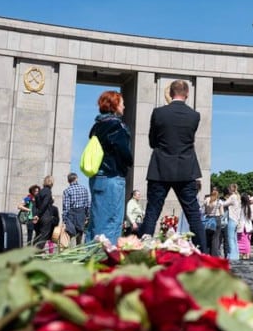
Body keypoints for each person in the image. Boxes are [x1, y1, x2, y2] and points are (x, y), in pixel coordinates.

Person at [137, 80, 207, 251]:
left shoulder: (159, 113)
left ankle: (140, 253)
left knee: (152, 213)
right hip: (186, 169)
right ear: (187, 94)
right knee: (193, 215)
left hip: (160, 169)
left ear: (170, 92)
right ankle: (203, 254)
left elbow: (153, 141)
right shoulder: (194, 116)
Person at [87, 91, 133, 245]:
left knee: (95, 224)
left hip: (97, 177)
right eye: (121, 103)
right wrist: (129, 161)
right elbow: (123, 152)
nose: (124, 106)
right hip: (112, 177)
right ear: (114, 106)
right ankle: (105, 264)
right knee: (112, 223)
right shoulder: (116, 126)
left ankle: (89, 261)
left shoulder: (97, 126)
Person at [62, 173, 90, 246]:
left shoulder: (67, 191)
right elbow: (87, 204)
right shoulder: (84, 189)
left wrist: (64, 219)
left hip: (71, 213)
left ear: (68, 181)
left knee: (70, 234)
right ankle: (78, 250)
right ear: (76, 179)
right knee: (80, 233)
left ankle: (69, 251)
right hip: (81, 213)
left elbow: (66, 206)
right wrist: (87, 216)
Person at [32, 176, 57, 249]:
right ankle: (37, 254)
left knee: (37, 236)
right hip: (46, 216)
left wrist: (36, 215)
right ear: (51, 182)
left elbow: (36, 205)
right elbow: (45, 204)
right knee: (43, 237)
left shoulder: (39, 192)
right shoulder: (48, 191)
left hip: (39, 217)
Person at [220, 183, 241, 260]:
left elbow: (223, 204)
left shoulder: (232, 197)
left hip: (232, 219)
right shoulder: (238, 197)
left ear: (230, 189)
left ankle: (232, 256)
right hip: (237, 220)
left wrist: (218, 201)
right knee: (234, 238)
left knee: (230, 238)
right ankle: (236, 255)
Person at [202, 186, 225, 256]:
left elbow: (204, 211)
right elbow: (222, 213)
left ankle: (207, 253)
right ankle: (214, 255)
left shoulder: (206, 200)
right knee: (215, 239)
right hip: (216, 219)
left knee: (207, 238)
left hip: (208, 219)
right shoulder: (219, 202)